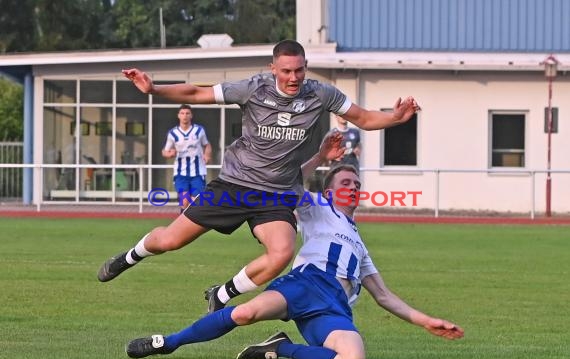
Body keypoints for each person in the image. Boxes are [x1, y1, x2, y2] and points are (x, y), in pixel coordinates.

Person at [98, 40, 420, 315]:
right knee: (170, 240)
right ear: (273, 68)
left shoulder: (321, 95)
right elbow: (197, 92)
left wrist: (396, 118)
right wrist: (153, 88)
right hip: (235, 184)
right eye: (286, 71)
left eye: (299, 70)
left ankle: (221, 295)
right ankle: (128, 257)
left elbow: (363, 117)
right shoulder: (253, 89)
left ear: (305, 67)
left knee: (281, 252)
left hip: (277, 194)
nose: (293, 77)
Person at [124, 134, 464, 359]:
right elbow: (286, 183)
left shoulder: (359, 244)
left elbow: (385, 297)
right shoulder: (318, 206)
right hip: (304, 284)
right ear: (329, 192)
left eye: (357, 184)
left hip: (334, 308)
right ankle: (168, 342)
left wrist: (427, 321)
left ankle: (280, 347)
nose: (354, 187)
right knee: (244, 314)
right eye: (346, 182)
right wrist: (319, 157)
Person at [162, 104, 212, 211]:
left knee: (196, 203)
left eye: (187, 113)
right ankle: (182, 224)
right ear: (178, 116)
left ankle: (194, 225)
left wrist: (207, 155)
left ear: (191, 116)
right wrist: (169, 154)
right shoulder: (173, 133)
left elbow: (207, 144)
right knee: (184, 202)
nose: (185, 116)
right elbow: (165, 151)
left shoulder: (199, 130)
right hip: (181, 173)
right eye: (182, 113)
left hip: (198, 173)